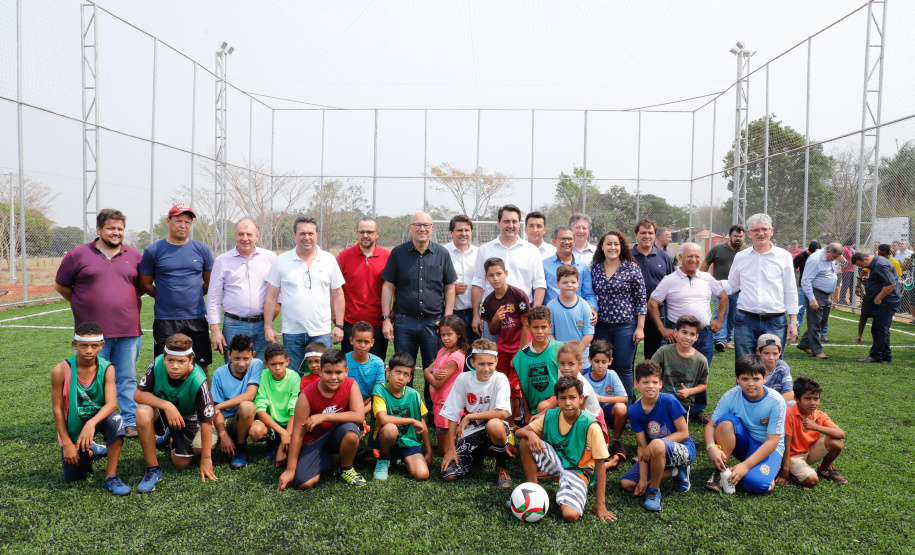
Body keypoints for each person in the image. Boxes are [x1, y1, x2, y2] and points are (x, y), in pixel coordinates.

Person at [55, 208, 143, 438]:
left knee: (126, 377)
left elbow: (141, 287)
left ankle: (130, 421)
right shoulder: (77, 255)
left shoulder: (135, 256)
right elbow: (62, 286)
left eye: (120, 229)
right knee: (90, 380)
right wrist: (83, 303)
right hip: (91, 335)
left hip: (128, 330)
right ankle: (93, 422)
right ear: (99, 229)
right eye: (111, 228)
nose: (116, 232)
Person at [515, 376, 616, 523]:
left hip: (577, 470)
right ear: (556, 399)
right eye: (562, 398)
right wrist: (531, 434)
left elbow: (600, 464)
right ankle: (534, 492)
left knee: (570, 515)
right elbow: (519, 432)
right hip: (556, 460)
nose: (567, 403)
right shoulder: (550, 415)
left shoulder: (591, 425)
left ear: (581, 399)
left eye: (572, 397)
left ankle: (612, 462)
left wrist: (600, 504)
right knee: (526, 441)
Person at [51, 322, 130, 496]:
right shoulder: (61, 370)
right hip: (75, 425)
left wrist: (91, 423)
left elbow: (111, 404)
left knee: (116, 420)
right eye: (83, 346)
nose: (88, 351)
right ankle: (93, 449)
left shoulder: (107, 368)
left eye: (94, 346)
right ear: (74, 345)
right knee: (74, 477)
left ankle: (111, 477)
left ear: (101, 345)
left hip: (98, 419)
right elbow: (57, 410)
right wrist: (66, 443)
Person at [134, 333, 218, 493]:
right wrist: (167, 406)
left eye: (181, 361)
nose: (174, 366)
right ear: (164, 358)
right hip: (162, 412)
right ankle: (153, 469)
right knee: (142, 411)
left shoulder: (198, 379)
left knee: (181, 463)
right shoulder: (157, 363)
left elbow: (207, 421)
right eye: (170, 360)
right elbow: (138, 395)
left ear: (191, 360)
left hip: (186, 417)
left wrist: (206, 459)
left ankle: (168, 436)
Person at [382, 212, 457, 384]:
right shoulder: (398, 253)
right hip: (404, 322)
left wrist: (446, 319)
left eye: (426, 225)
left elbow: (450, 287)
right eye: (417, 225)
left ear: (432, 228)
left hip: (434, 323)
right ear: (410, 228)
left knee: (434, 370)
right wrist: (386, 319)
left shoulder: (442, 253)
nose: (422, 228)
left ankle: (432, 403)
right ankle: (405, 401)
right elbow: (388, 286)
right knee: (403, 370)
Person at [264, 215, 346, 373]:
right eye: (302, 233)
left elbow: (338, 295)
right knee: (295, 376)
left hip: (321, 331)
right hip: (292, 332)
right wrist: (268, 327)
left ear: (316, 235)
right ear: (295, 235)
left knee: (323, 375)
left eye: (310, 233)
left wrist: (339, 326)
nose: (306, 237)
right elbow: (271, 297)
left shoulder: (328, 260)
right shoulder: (281, 261)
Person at [139, 204, 215, 372]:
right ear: (168, 221)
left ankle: (202, 391)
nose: (183, 225)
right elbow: (145, 284)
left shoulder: (202, 249)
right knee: (165, 366)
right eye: (178, 221)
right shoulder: (153, 250)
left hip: (196, 317)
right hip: (166, 319)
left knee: (200, 365)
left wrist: (194, 295)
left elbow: (210, 283)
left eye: (187, 222)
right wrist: (165, 296)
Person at [277, 349, 366, 489]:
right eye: (328, 372)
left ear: (346, 371)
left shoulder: (351, 384)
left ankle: (346, 468)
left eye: (338, 372)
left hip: (337, 434)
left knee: (351, 431)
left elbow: (359, 416)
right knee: (305, 483)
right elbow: (298, 435)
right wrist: (290, 470)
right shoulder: (306, 395)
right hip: (313, 441)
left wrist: (324, 416)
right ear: (320, 372)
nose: (333, 377)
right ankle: (331, 457)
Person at [704, 354, 786, 494]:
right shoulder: (730, 396)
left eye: (756, 379)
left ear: (764, 378)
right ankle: (721, 470)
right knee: (725, 422)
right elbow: (711, 425)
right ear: (737, 379)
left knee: (755, 484)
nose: (750, 384)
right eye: (744, 379)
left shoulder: (776, 402)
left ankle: (767, 473)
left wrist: (746, 466)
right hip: (745, 442)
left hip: (768, 447)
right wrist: (711, 447)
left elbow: (772, 441)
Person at [620, 360, 695, 511]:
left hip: (683, 450)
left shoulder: (669, 400)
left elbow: (683, 433)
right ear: (636, 384)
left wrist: (656, 443)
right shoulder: (634, 410)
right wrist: (642, 479)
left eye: (654, 382)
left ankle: (654, 491)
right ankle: (675, 472)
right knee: (627, 483)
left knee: (656, 444)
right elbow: (642, 446)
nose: (650, 386)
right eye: (645, 382)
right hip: (656, 452)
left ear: (660, 384)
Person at [440, 339, 513, 488]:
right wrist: (451, 449)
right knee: (449, 475)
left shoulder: (500, 379)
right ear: (472, 363)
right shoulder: (463, 379)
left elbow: (503, 412)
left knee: (494, 425)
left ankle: (501, 466)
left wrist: (470, 416)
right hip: (472, 429)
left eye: (490, 364)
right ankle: (483, 452)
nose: (486, 369)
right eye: (481, 364)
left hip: (495, 426)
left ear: (496, 361)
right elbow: (452, 413)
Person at [647, 242, 726, 377]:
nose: (694, 260)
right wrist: (662, 329)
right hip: (678, 335)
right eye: (690, 256)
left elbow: (723, 297)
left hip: (704, 335)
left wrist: (720, 321)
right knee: (677, 376)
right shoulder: (669, 280)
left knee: (701, 376)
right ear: (681, 257)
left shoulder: (707, 278)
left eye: (697, 256)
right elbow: (652, 303)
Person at [727, 213, 799, 359]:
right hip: (745, 320)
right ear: (749, 234)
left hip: (775, 321)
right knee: (745, 365)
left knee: (773, 366)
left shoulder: (784, 256)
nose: (761, 233)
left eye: (764, 229)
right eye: (756, 230)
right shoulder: (741, 257)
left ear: (771, 231)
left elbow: (790, 290)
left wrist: (793, 322)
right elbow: (732, 286)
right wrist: (708, 283)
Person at [207, 218, 276, 365]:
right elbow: (213, 297)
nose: (245, 238)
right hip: (234, 325)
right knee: (235, 368)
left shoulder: (270, 258)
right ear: (235, 235)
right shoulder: (222, 261)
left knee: (262, 369)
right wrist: (215, 330)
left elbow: (278, 291)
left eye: (249, 234)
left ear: (257, 236)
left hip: (262, 324)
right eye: (241, 234)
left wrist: (269, 322)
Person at [472, 205, 546, 339]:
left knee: (522, 352)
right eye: (506, 221)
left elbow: (539, 284)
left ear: (519, 223)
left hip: (522, 315)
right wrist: (476, 315)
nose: (510, 225)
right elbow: (478, 284)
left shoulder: (531, 250)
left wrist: (533, 313)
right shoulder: (485, 250)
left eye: (514, 221)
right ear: (499, 222)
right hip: (493, 314)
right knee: (492, 351)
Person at [590, 231, 646, 406]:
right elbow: (590, 294)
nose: (612, 247)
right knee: (604, 366)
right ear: (602, 246)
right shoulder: (595, 268)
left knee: (623, 367)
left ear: (622, 247)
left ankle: (625, 409)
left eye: (616, 244)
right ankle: (605, 407)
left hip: (626, 326)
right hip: (601, 326)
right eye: (609, 244)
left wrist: (640, 328)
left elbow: (641, 300)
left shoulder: (631, 268)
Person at [480, 257, 530, 424]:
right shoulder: (488, 301)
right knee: (501, 386)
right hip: (503, 349)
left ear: (506, 273)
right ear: (486, 277)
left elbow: (527, 326)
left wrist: (519, 353)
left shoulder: (518, 295)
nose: (496, 278)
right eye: (491, 275)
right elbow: (492, 331)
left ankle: (509, 426)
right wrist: (495, 320)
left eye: (499, 274)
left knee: (514, 389)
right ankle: (514, 418)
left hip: (520, 349)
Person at [371, 352, 433, 481]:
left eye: (406, 374)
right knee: (390, 428)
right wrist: (411, 420)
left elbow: (422, 422)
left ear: (410, 378)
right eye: (397, 372)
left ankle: (400, 456)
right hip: (386, 438)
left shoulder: (414, 394)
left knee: (422, 474)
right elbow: (383, 419)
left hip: (407, 440)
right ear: (389, 372)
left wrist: (429, 451)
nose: (400, 377)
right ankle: (384, 458)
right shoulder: (379, 389)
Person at [775, 377, 847, 487]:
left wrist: (816, 427)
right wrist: (785, 470)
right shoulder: (788, 414)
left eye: (816, 398)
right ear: (797, 398)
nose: (813, 403)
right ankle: (790, 471)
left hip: (809, 451)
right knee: (812, 480)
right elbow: (786, 444)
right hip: (793, 456)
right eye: (808, 398)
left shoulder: (819, 414)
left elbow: (841, 434)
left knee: (837, 443)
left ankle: (824, 469)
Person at [336, 217, 390, 358]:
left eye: (369, 232)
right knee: (350, 367)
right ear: (357, 233)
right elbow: (334, 290)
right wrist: (337, 321)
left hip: (378, 325)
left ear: (377, 234)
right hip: (351, 325)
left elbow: (394, 289)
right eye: (362, 232)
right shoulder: (344, 257)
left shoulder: (387, 257)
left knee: (376, 365)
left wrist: (389, 318)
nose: (365, 235)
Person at [210, 334, 264, 469]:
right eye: (236, 358)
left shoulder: (257, 364)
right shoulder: (219, 373)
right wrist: (223, 435)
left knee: (247, 406)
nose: (241, 363)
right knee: (199, 449)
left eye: (246, 358)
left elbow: (250, 395)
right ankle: (228, 437)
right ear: (229, 354)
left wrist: (221, 406)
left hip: (243, 417)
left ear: (253, 355)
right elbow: (216, 409)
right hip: (223, 419)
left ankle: (240, 448)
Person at [650, 315, 709, 422]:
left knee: (677, 430)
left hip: (683, 403)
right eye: (684, 332)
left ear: (697, 337)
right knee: (654, 426)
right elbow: (650, 372)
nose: (687, 337)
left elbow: (703, 384)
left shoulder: (701, 360)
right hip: (660, 399)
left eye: (692, 334)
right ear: (676, 332)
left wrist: (689, 391)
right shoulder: (663, 351)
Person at [424, 315, 469, 455]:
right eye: (443, 335)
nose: (445, 338)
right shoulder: (442, 350)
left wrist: (427, 374)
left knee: (443, 451)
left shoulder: (456, 356)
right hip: (439, 402)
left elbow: (437, 384)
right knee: (443, 445)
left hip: (447, 404)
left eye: (449, 334)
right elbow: (429, 368)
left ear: (459, 334)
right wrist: (428, 372)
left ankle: (464, 446)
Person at [632, 218, 676, 360]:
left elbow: (672, 285)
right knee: (627, 354)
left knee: (653, 355)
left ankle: (650, 375)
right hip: (631, 312)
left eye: (650, 233)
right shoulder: (626, 256)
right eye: (643, 232)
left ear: (655, 235)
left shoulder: (664, 257)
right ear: (636, 235)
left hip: (657, 311)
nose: (647, 236)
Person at [250, 343, 300, 466]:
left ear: (287, 361)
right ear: (266, 364)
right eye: (273, 364)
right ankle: (273, 440)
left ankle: (281, 443)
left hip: (290, 423)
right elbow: (260, 410)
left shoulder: (294, 377)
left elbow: (294, 411)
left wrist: (283, 445)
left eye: (281, 363)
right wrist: (283, 433)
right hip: (271, 423)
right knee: (255, 432)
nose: (278, 368)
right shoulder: (263, 376)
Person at [512, 305, 562, 423]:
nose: (540, 331)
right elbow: (523, 388)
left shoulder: (560, 349)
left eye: (543, 327)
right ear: (528, 327)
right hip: (534, 411)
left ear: (550, 327)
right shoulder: (520, 357)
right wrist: (527, 412)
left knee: (542, 406)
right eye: (535, 327)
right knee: (524, 436)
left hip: (558, 403)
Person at [583, 340, 628, 468]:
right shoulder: (585, 379)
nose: (600, 365)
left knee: (621, 408)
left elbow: (624, 398)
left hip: (608, 411)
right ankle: (593, 445)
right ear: (590, 360)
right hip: (593, 415)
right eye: (596, 361)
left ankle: (616, 441)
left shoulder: (612, 375)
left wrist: (601, 398)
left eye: (604, 362)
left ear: (610, 361)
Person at [852, 250, 901, 363]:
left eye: (861, 265)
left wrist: (879, 297)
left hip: (886, 301)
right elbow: (883, 281)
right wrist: (870, 281)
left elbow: (891, 284)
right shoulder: (877, 263)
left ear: (866, 259)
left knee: (879, 328)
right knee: (882, 329)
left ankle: (876, 355)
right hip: (885, 300)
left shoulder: (880, 264)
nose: (862, 268)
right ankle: (885, 355)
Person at [701, 225, 745, 351]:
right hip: (719, 289)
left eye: (741, 236)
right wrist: (703, 280)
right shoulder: (718, 248)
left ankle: (728, 339)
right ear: (729, 236)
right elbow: (706, 263)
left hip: (738, 290)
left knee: (733, 316)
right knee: (721, 313)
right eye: (735, 236)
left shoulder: (746, 251)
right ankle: (719, 340)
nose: (738, 238)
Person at [798, 242, 843, 359]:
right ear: (827, 251)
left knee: (823, 321)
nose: (835, 259)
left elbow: (841, 264)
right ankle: (816, 350)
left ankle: (804, 343)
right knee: (815, 323)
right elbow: (805, 280)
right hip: (815, 293)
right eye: (834, 256)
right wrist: (812, 299)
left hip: (826, 295)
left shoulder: (830, 257)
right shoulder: (815, 260)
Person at [548, 265, 595, 369]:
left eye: (573, 282)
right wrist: (561, 353)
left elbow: (588, 335)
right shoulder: (551, 307)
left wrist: (575, 353)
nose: (569, 285)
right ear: (557, 284)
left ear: (578, 283)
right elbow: (550, 334)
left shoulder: (584, 306)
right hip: (560, 360)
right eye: (565, 282)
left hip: (581, 360)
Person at [444, 215, 481, 344]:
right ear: (451, 232)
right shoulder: (443, 252)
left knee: (473, 352)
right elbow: (433, 283)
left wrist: (477, 315)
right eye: (459, 230)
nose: (463, 234)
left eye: (467, 230)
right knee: (451, 352)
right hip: (451, 314)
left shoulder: (479, 253)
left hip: (474, 315)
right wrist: (451, 289)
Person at [542, 225, 598, 309]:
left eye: (570, 239)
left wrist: (592, 308)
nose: (566, 242)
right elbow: (539, 292)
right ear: (554, 242)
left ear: (574, 242)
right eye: (562, 239)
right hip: (551, 313)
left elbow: (589, 295)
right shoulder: (544, 265)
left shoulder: (582, 267)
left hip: (577, 313)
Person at [345, 321, 387, 417]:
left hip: (370, 401)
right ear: (351, 340)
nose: (362, 345)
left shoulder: (378, 363)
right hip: (348, 400)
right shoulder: (343, 361)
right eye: (359, 341)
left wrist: (362, 411)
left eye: (366, 342)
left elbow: (380, 393)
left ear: (372, 343)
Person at [756, 334, 794, 404]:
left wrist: (772, 406)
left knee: (792, 403)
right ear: (758, 352)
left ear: (780, 352)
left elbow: (790, 392)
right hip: (757, 404)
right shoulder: (752, 366)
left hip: (777, 404)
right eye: (766, 353)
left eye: (775, 353)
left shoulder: (782, 367)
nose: (771, 357)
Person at [793, 240, 820, 329]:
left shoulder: (820, 257)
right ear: (809, 250)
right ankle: (796, 331)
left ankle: (819, 333)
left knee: (818, 311)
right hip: (803, 287)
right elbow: (793, 270)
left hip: (816, 288)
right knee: (800, 310)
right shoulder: (800, 257)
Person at [838, 239, 856, 305]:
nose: (855, 245)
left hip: (852, 269)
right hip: (847, 270)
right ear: (852, 243)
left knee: (852, 285)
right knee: (845, 285)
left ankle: (852, 300)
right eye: (854, 243)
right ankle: (842, 299)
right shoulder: (845, 249)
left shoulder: (850, 249)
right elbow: (846, 258)